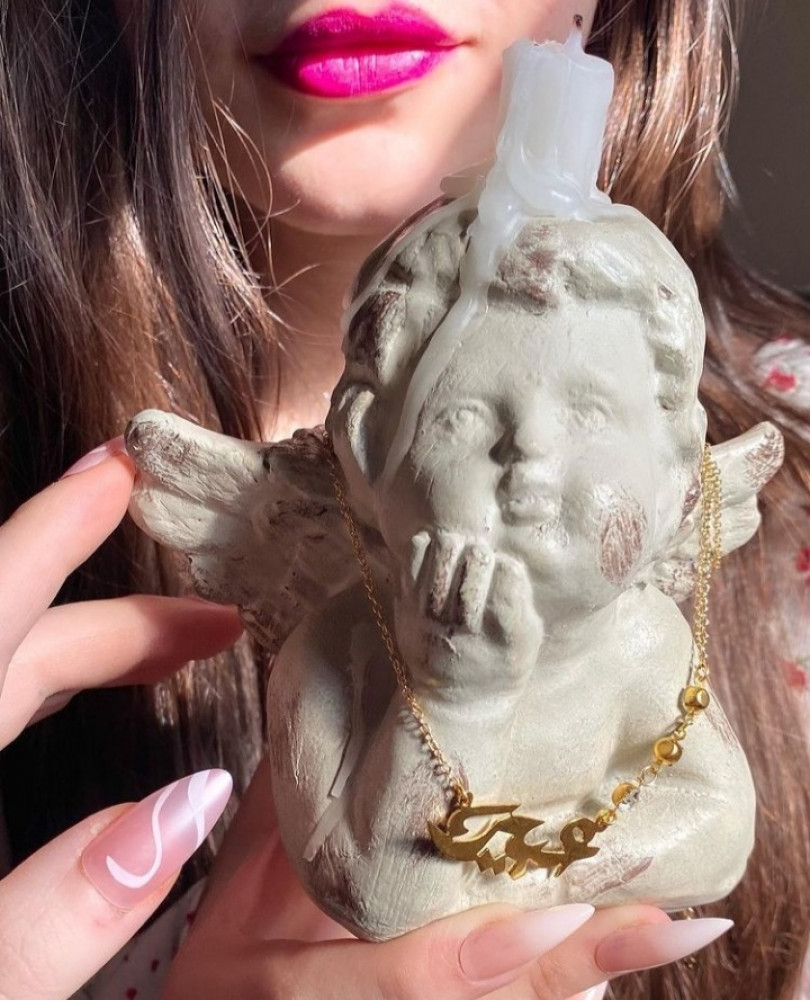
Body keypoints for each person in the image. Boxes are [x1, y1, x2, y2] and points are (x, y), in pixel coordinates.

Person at [0, 0, 807, 998]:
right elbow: (382, 885)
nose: (531, 455)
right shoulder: (339, 650)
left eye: (589, 411)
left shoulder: (664, 632)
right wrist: (461, 700)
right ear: (368, 455)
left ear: (679, 473)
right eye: (463, 416)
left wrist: (534, 860)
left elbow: (715, 827)